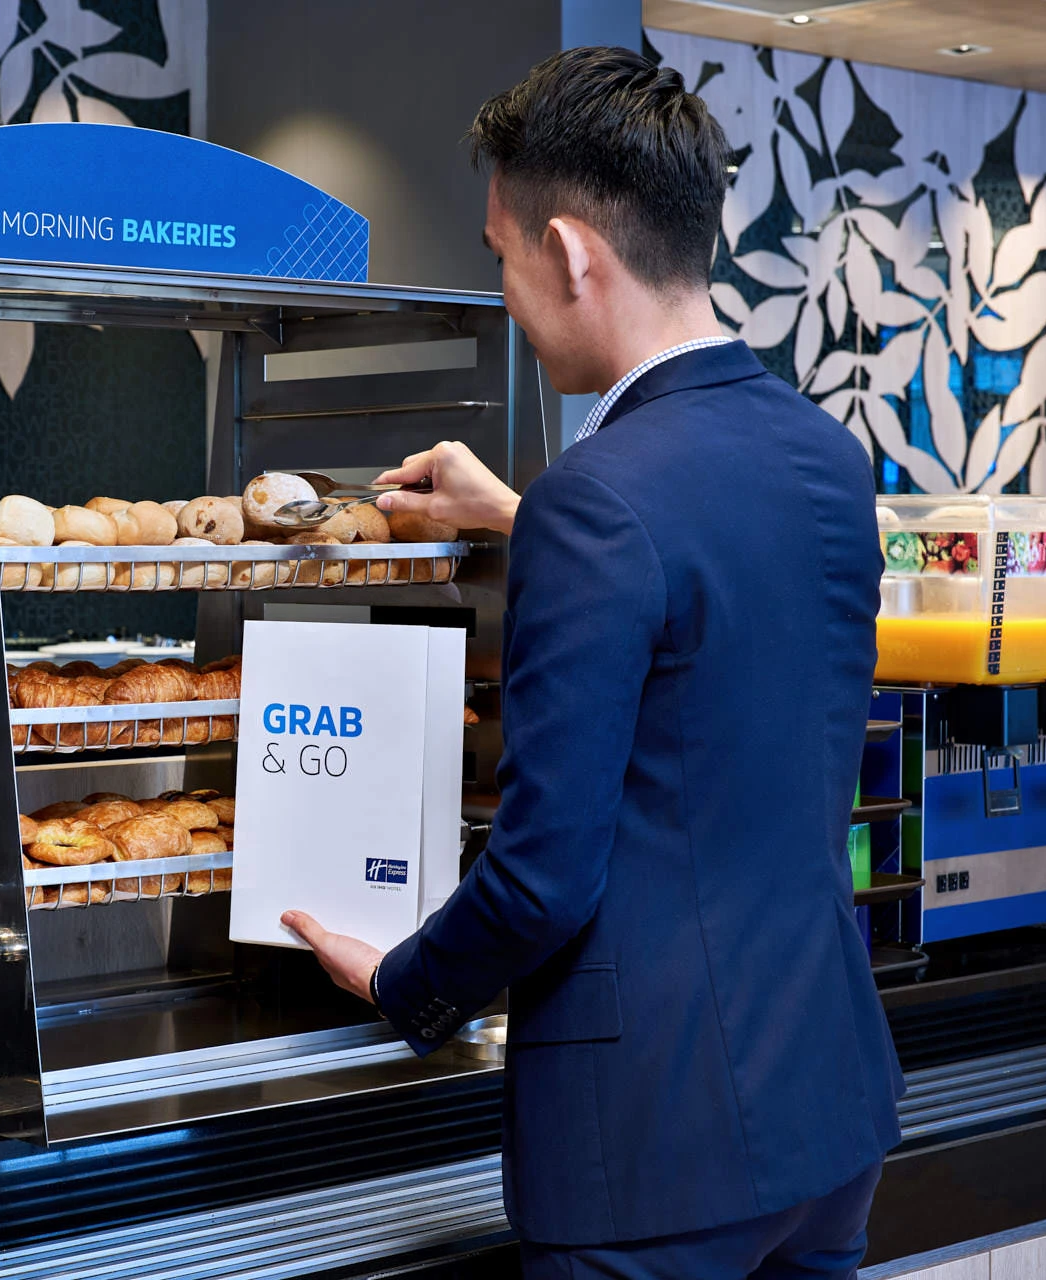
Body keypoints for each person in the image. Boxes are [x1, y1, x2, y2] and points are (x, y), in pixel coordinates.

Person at [281, 47, 903, 1280]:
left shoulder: (597, 502)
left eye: (501, 253)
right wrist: (521, 512)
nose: (507, 287)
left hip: (651, 1148)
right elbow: (704, 595)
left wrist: (400, 978)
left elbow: (542, 880)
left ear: (569, 253)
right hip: (827, 1109)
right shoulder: (824, 457)